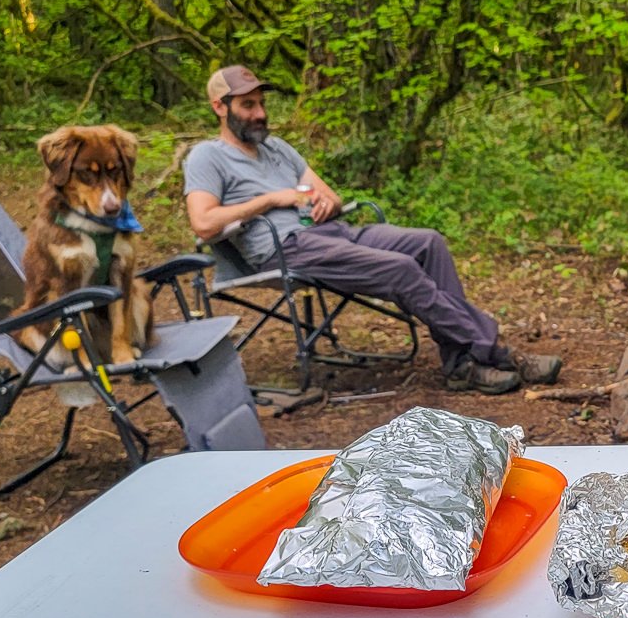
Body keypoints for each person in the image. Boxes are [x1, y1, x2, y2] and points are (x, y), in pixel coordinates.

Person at [183, 66, 560, 395]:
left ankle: (461, 363)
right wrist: (271, 200)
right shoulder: (207, 156)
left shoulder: (278, 148)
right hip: (286, 247)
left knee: (428, 242)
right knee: (400, 268)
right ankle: (497, 353)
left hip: (332, 232)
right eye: (248, 105)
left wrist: (326, 202)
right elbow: (203, 222)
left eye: (261, 104)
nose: (260, 113)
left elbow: (328, 193)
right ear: (220, 107)